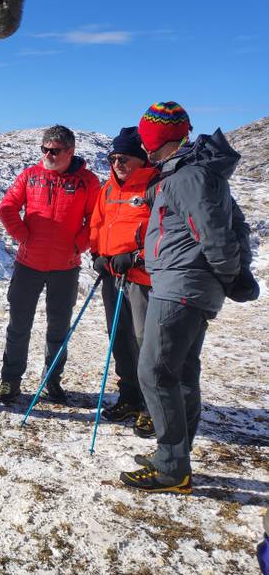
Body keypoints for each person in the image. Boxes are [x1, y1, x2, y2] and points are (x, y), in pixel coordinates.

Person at [120, 102, 259, 494]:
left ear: (156, 139)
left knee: (155, 372)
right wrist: (235, 275)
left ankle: (170, 468)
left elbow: (215, 234)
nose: (144, 145)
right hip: (186, 287)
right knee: (179, 374)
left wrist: (233, 276)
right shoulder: (193, 174)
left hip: (181, 289)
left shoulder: (189, 178)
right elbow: (236, 225)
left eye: (147, 137)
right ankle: (175, 459)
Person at [0, 125, 100, 405]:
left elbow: (96, 220)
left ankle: (51, 380)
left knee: (58, 328)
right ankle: (10, 381)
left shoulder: (88, 181)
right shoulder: (30, 176)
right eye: (44, 149)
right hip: (28, 264)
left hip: (65, 268)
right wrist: (22, 236)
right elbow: (6, 208)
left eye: (54, 151)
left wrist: (77, 246)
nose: (48, 155)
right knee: (19, 326)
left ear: (70, 151)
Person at [89, 127, 157, 438]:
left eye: (124, 158)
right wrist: (97, 254)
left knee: (147, 343)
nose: (118, 163)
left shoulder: (156, 186)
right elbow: (97, 224)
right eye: (113, 157)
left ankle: (152, 407)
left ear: (141, 159)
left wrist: (136, 256)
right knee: (120, 339)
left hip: (144, 279)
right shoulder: (107, 190)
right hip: (112, 276)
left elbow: (165, 234)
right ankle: (129, 396)